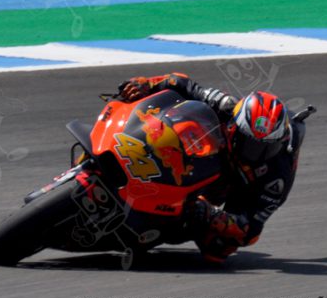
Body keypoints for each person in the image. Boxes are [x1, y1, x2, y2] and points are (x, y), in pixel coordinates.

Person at [117, 73, 301, 262]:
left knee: (219, 248)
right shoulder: (227, 106)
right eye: (252, 145)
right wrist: (145, 83)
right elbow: (180, 83)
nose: (258, 153)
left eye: (268, 147)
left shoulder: (277, 177)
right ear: (234, 127)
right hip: (218, 154)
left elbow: (250, 228)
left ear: (280, 141)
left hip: (241, 187)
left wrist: (212, 215)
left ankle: (166, 223)